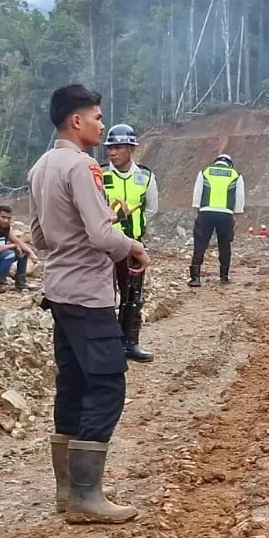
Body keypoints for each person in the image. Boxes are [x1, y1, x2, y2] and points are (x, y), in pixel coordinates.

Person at [28, 84, 153, 525]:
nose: (102, 125)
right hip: (88, 294)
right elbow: (101, 236)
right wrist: (132, 246)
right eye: (98, 118)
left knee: (73, 383)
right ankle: (85, 494)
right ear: (76, 120)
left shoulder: (41, 166)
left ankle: (66, 491)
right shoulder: (84, 167)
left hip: (58, 291)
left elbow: (39, 237)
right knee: (107, 383)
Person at [102, 124, 156, 363]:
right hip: (105, 244)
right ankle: (109, 344)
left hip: (133, 244)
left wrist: (138, 230)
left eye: (118, 148)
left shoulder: (145, 176)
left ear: (131, 149)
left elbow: (151, 208)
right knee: (104, 295)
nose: (112, 152)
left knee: (133, 294)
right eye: (110, 148)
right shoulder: (100, 174)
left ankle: (130, 342)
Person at [189, 154, 244, 287]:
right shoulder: (235, 174)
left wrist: (197, 208)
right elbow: (240, 195)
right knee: (225, 244)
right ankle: (224, 276)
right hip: (226, 214)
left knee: (200, 244)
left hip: (206, 212)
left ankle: (195, 277)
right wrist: (236, 212)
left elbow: (197, 192)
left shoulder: (205, 171)